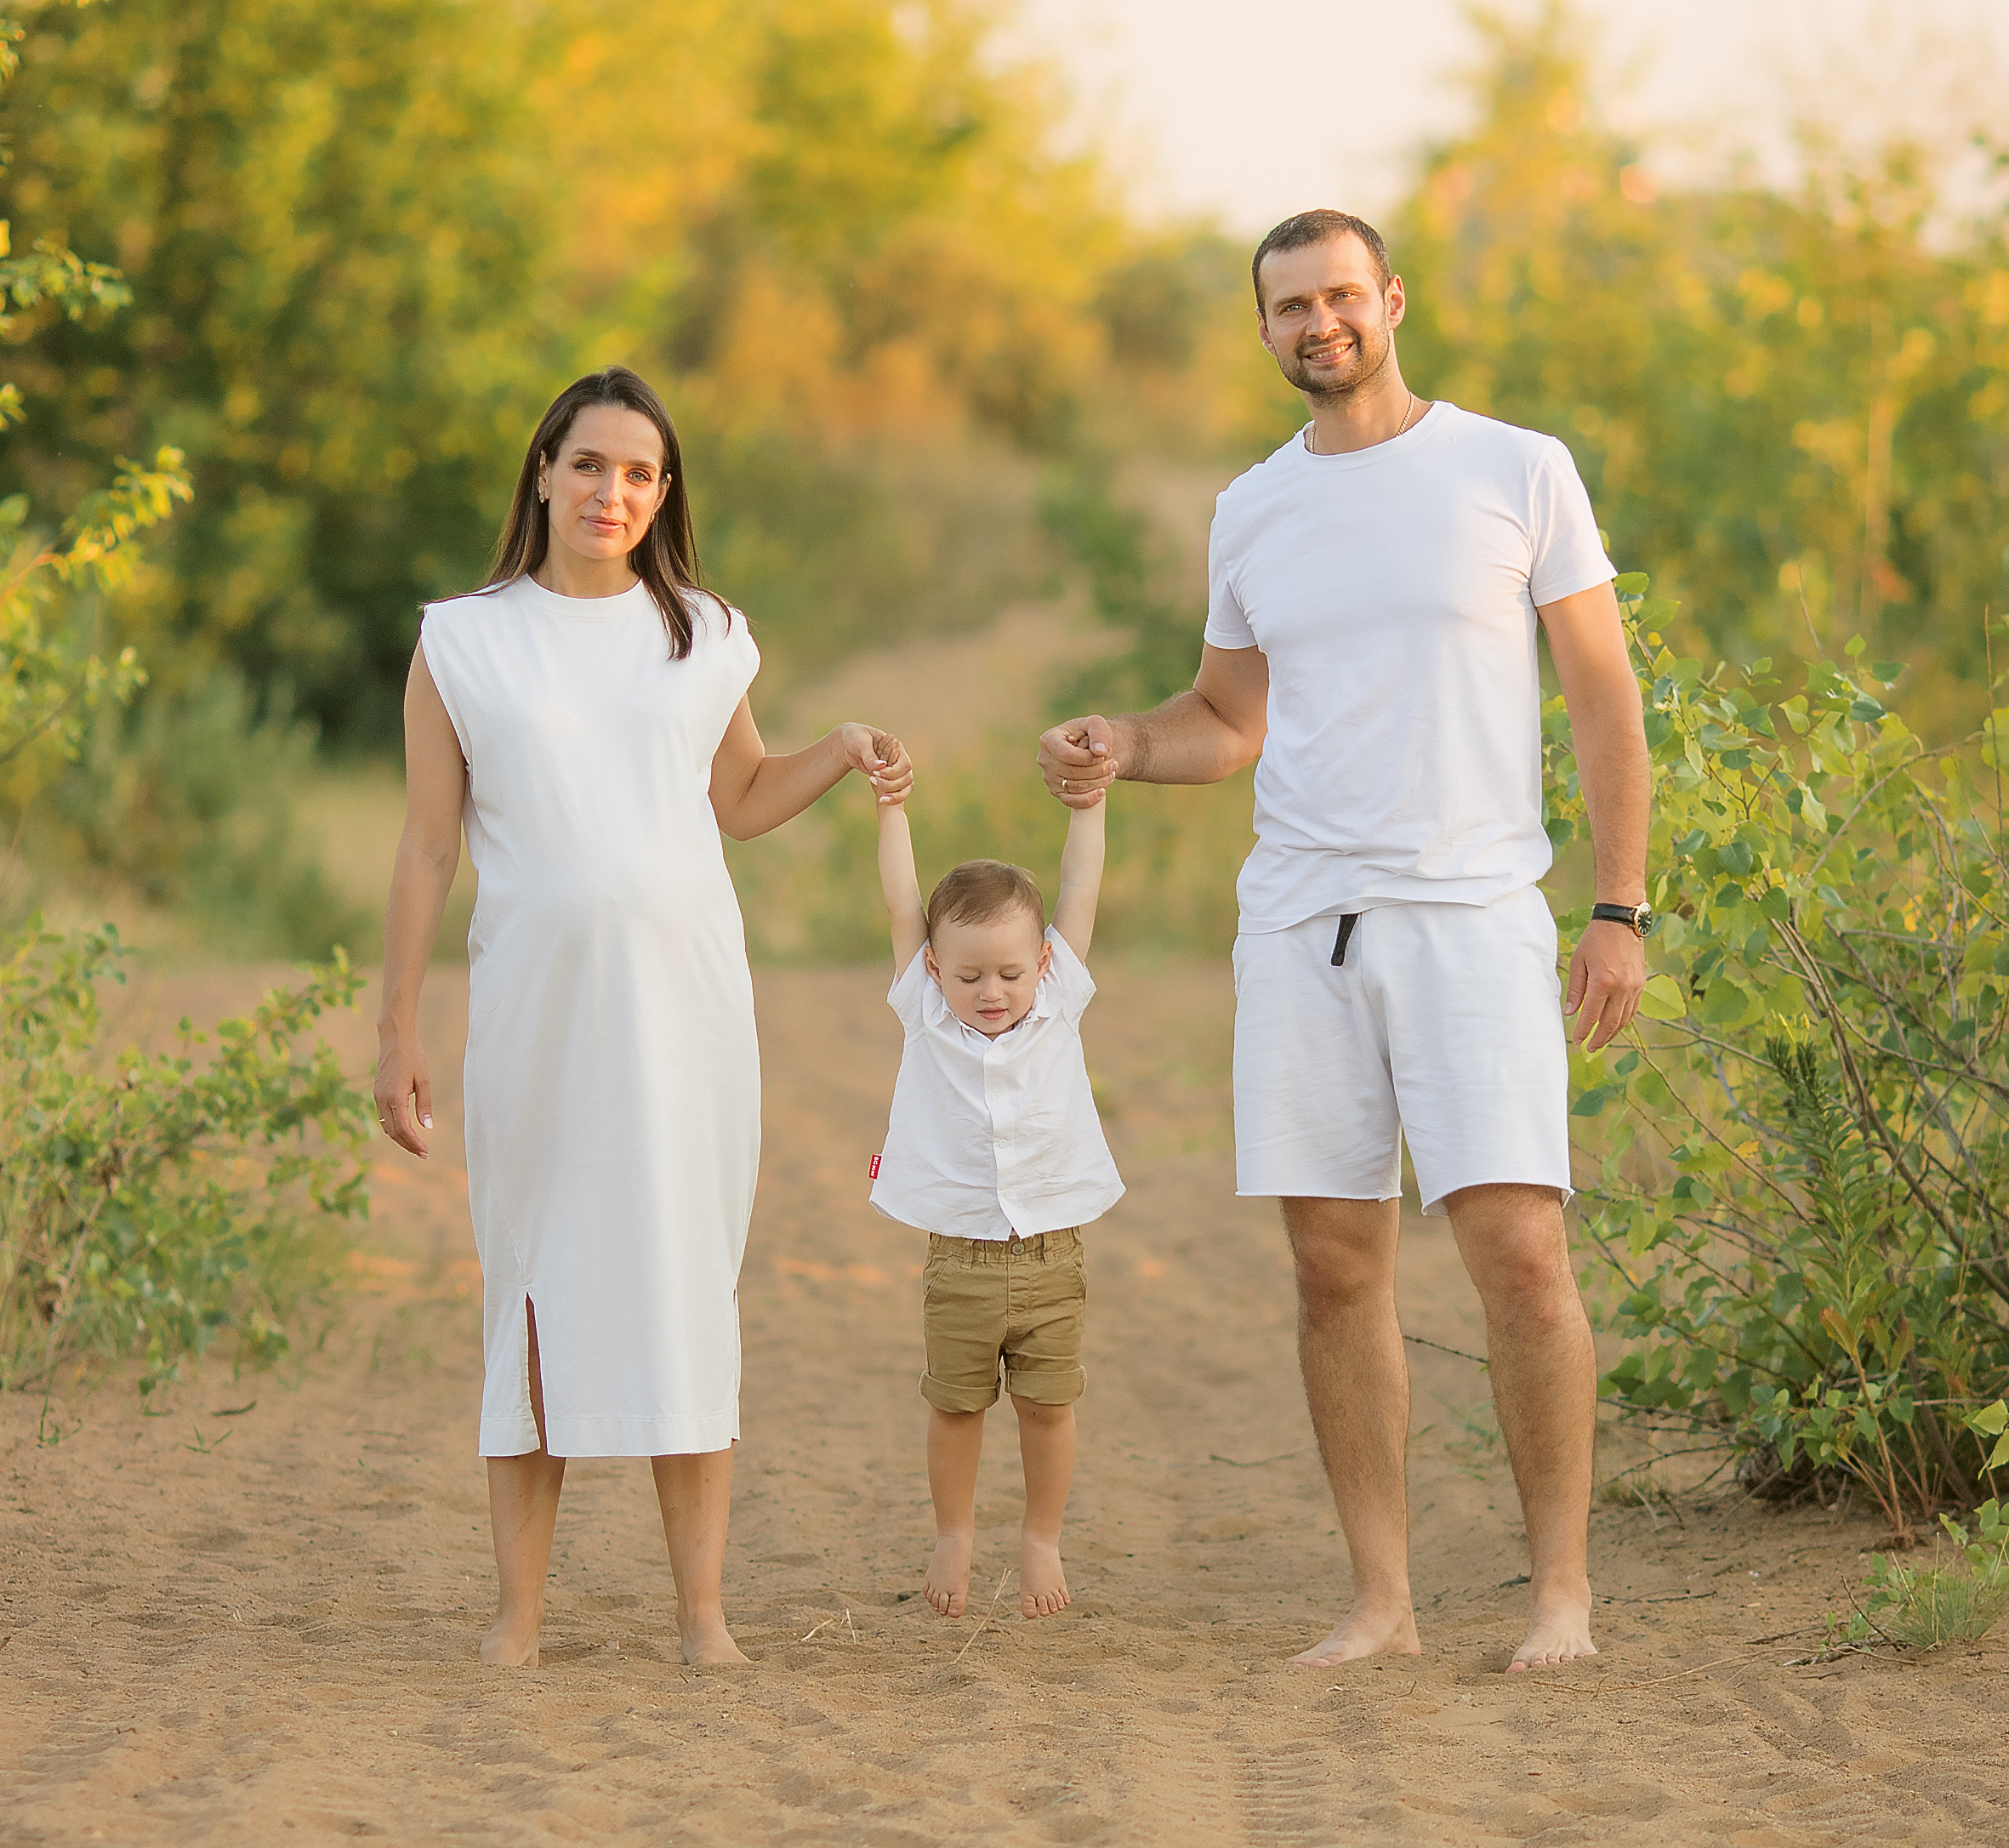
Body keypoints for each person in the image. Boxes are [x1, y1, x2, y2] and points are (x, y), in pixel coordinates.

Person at [1038, 209, 1652, 1674]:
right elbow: (1231, 721)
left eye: (1337, 296)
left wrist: (1616, 907)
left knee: (1515, 1246)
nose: (1317, 323)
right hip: (1303, 923)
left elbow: (1604, 701)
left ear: (1389, 299)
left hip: (1474, 915)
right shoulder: (1251, 508)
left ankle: (1558, 1598)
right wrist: (1123, 738)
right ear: (1261, 333)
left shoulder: (1514, 467)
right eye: (1285, 307)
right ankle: (1380, 1602)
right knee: (1332, 1264)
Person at [373, 365, 912, 1670]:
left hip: (687, 1010)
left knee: (682, 1276)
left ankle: (701, 1616)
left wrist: (835, 751)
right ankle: (518, 1616)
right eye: (589, 463)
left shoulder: (704, 632)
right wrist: (393, 1030)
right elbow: (429, 849)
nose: (611, 490)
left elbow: (735, 796)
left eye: (639, 471)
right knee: (537, 1283)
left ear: (663, 492)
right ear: (542, 472)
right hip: (533, 1011)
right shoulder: (463, 638)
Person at [869, 783, 1124, 1622]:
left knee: (1050, 1407)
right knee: (955, 1406)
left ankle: (1041, 1536)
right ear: (933, 968)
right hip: (960, 1260)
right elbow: (901, 900)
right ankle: (954, 1530)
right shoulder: (924, 1016)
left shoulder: (1058, 1006)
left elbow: (1079, 890)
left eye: (1010, 972)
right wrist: (891, 808)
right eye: (969, 973)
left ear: (1043, 964)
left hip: (1053, 1254)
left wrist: (1089, 807)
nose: (991, 991)